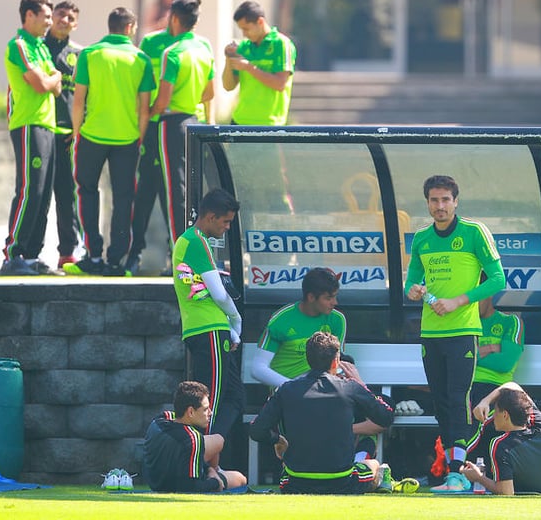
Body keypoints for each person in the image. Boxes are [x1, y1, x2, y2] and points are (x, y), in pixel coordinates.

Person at [404, 174, 506, 492]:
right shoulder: (421, 238)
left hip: (463, 329)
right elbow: (410, 283)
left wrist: (459, 300)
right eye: (434, 200)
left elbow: (498, 279)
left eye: (445, 199)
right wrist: (415, 291)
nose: (440, 206)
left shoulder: (474, 232)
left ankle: (460, 471)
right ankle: (453, 470)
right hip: (431, 333)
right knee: (440, 401)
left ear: (456, 201)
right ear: (427, 203)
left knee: (458, 397)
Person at [252, 266, 383, 458]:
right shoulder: (282, 319)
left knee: (382, 410)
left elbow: (336, 363)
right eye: (329, 298)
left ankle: (358, 460)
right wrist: (293, 386)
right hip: (291, 394)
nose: (334, 303)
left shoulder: (337, 319)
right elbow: (257, 368)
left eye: (335, 296)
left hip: (326, 389)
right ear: (311, 297)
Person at [248, 331, 401, 494]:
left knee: (287, 472)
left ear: (308, 360)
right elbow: (385, 416)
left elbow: (256, 430)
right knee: (374, 465)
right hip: (342, 482)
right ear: (336, 361)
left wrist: (277, 439)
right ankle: (382, 475)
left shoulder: (285, 389)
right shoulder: (350, 387)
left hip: (295, 483)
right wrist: (361, 383)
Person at [64, 7, 154, 277]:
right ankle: (116, 261)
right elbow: (144, 108)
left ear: (110, 25)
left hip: (91, 136)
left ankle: (92, 256)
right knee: (124, 198)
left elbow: (78, 99)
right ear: (130, 27)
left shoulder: (89, 54)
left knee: (87, 192)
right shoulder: (141, 59)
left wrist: (77, 132)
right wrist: (139, 138)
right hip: (127, 140)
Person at [126, 0, 202, 276]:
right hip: (154, 127)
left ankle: (177, 255)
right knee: (145, 189)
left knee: (178, 190)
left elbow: (204, 95)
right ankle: (133, 255)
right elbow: (140, 86)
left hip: (172, 122)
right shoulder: (152, 42)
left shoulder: (192, 47)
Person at [173, 187, 244, 440]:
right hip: (209, 329)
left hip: (208, 329)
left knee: (235, 397)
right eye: (225, 221)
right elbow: (219, 292)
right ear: (211, 217)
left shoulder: (191, 240)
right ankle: (202, 463)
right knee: (209, 403)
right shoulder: (196, 240)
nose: (227, 227)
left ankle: (210, 458)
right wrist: (236, 320)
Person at [0, 0, 62, 276]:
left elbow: (56, 86)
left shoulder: (42, 48)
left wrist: (51, 79)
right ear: (29, 15)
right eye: (46, 16)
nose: (50, 21)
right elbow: (41, 84)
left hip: (47, 125)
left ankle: (31, 255)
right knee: (29, 190)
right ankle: (13, 253)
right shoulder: (19, 45)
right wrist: (51, 79)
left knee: (44, 193)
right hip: (28, 125)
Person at [150, 0, 214, 247]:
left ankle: (180, 249)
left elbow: (163, 100)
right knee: (192, 187)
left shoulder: (172, 52)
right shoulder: (203, 48)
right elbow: (209, 93)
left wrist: (148, 111)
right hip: (195, 121)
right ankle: (197, 244)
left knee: (175, 190)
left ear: (174, 18)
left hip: (172, 123)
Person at [461, 382, 541, 495]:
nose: (493, 416)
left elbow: (506, 492)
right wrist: (486, 401)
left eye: (495, 411)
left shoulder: (500, 445)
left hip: (540, 489)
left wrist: (479, 477)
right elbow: (513, 386)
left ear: (505, 415)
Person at [143, 380, 247, 492]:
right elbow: (191, 488)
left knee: (216, 442)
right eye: (205, 409)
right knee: (240, 479)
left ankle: (214, 469)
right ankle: (217, 472)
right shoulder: (192, 439)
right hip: (175, 485)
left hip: (156, 483)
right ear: (191, 412)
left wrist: (209, 469)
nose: (210, 413)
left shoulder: (158, 421)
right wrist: (215, 481)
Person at [44, 0, 81, 270]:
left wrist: (78, 129)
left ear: (75, 24)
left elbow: (84, 95)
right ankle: (29, 251)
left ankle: (68, 252)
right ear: (52, 17)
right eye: (61, 15)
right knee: (39, 193)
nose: (64, 20)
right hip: (41, 130)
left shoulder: (79, 55)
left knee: (67, 195)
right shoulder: (37, 48)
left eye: (70, 18)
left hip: (68, 135)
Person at [223, 0, 296, 125]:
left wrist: (249, 67)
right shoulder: (243, 47)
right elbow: (228, 86)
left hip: (269, 124)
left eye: (246, 29)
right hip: (239, 121)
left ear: (260, 22)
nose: (244, 34)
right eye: (241, 30)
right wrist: (229, 58)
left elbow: (280, 84)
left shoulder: (282, 44)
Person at [471, 289, 525, 408]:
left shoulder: (510, 322)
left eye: (476, 298)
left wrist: (474, 355)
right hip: (464, 386)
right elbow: (456, 360)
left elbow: (505, 363)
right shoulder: (465, 325)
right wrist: (490, 348)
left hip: (495, 388)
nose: (472, 304)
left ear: (489, 294)